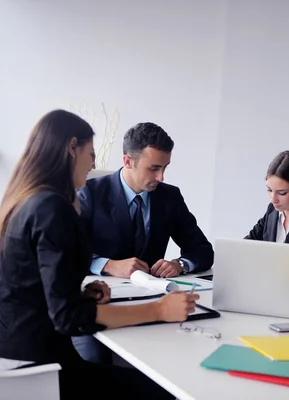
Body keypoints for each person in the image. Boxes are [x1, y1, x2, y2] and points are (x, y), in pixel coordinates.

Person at [0, 109, 197, 399]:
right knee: (168, 390)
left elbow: (35, 290)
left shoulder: (29, 200)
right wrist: (158, 310)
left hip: (8, 355)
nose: (94, 163)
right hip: (31, 372)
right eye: (91, 153)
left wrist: (80, 294)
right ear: (71, 148)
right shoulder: (52, 208)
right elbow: (68, 319)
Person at [74, 121, 213, 363]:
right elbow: (69, 256)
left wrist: (180, 264)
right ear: (128, 161)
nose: (160, 177)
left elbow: (202, 250)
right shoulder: (89, 194)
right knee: (95, 367)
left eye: (165, 168)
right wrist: (107, 265)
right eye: (154, 168)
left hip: (153, 303)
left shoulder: (169, 197)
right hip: (100, 304)